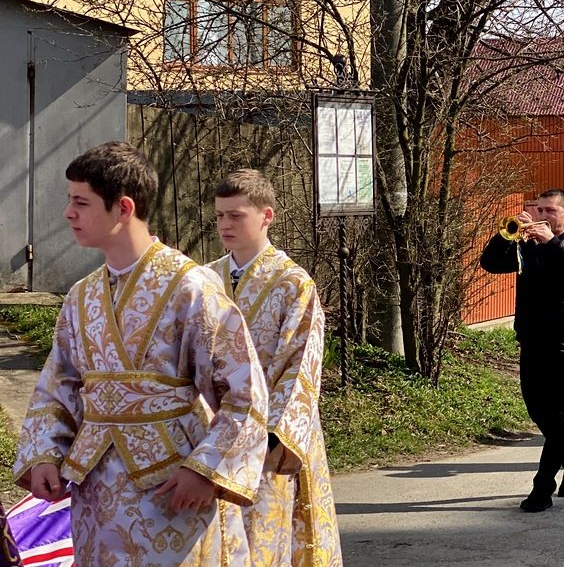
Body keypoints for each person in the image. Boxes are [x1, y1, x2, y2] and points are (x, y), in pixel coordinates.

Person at [11, 141, 268, 563]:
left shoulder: (192, 287)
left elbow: (245, 394)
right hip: (96, 494)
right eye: (69, 201)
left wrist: (206, 472)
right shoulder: (81, 297)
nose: (68, 213)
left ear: (124, 208)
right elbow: (57, 388)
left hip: (173, 489)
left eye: (81, 202)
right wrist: (44, 453)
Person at [207, 170, 342, 565]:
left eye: (236, 215)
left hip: (269, 432)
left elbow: (300, 363)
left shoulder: (293, 283)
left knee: (268, 532)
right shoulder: (205, 278)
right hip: (213, 429)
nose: (225, 225)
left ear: (267, 216)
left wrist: (271, 434)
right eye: (219, 216)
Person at [480, 189, 564, 513]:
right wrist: (506, 236)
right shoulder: (525, 248)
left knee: (558, 417)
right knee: (536, 408)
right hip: (532, 337)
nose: (542, 215)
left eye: (549, 210)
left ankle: (542, 488)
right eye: (538, 209)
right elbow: (489, 263)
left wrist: (552, 242)